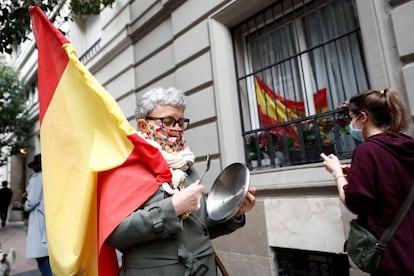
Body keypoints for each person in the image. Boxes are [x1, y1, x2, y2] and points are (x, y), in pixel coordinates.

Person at [107, 87, 256, 275]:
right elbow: (115, 234)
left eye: (180, 122)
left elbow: (199, 228)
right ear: (144, 126)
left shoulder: (185, 165)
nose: (177, 129)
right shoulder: (127, 166)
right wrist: (173, 208)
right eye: (168, 121)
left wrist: (234, 212)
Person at [320, 88, 414, 275]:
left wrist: (337, 172)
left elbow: (354, 202)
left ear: (363, 117)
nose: (351, 124)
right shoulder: (406, 144)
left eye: (351, 117)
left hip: (394, 257)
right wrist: (356, 173)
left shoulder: (367, 150)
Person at [24, 154, 52, 276]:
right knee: (48, 256)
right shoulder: (51, 176)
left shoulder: (37, 178)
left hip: (39, 219)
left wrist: (25, 205)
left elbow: (32, 201)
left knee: (42, 257)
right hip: (49, 217)